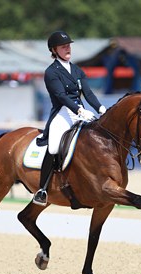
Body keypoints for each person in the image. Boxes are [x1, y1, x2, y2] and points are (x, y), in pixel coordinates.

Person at [33, 30, 106, 205]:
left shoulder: (77, 70)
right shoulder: (51, 72)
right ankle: (42, 190)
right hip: (63, 113)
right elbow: (61, 96)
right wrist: (79, 111)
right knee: (54, 146)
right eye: (63, 46)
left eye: (68, 46)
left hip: (81, 111)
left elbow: (87, 93)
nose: (67, 48)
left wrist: (101, 108)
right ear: (54, 50)